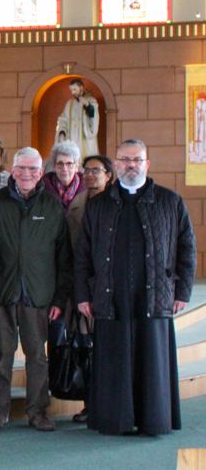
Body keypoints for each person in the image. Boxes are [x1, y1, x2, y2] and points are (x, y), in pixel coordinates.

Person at [75, 140, 196, 436]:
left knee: (151, 359)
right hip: (110, 295)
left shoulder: (170, 201)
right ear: (115, 165)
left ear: (147, 164)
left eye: (138, 160)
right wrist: (82, 295)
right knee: (114, 359)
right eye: (125, 160)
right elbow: (82, 254)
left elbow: (187, 248)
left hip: (153, 295)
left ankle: (153, 420)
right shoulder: (99, 204)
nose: (131, 165)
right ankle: (114, 420)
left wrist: (182, 292)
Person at [0, 147, 72, 431]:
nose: (27, 174)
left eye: (33, 169)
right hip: (3, 294)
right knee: (1, 355)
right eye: (21, 168)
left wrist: (58, 297)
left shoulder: (52, 205)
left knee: (37, 356)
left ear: (41, 173)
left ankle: (38, 412)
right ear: (13, 170)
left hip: (38, 294)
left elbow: (63, 256)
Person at [64, 154, 114, 424]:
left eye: (97, 170)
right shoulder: (77, 204)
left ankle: (111, 402)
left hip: (111, 287)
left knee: (110, 348)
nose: (91, 174)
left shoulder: (118, 203)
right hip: (81, 286)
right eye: (87, 170)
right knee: (86, 347)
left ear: (109, 175)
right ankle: (89, 403)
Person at [56, 78, 99, 158]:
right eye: (71, 90)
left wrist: (88, 105)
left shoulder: (90, 100)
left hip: (85, 138)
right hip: (72, 137)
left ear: (81, 87)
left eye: (75, 89)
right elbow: (63, 119)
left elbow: (94, 116)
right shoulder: (70, 103)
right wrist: (62, 132)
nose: (73, 92)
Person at [43, 140, 86, 213]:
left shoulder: (87, 189)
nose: (65, 169)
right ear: (54, 166)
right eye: (60, 163)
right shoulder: (42, 188)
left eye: (69, 164)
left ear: (76, 167)